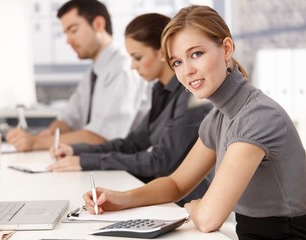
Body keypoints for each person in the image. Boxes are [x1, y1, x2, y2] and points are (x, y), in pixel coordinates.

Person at [83, 5, 306, 239]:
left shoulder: (257, 116)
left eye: (196, 54)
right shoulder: (219, 116)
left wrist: (195, 207)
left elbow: (209, 218)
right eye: (177, 62)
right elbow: (177, 184)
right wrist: (123, 198)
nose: (187, 71)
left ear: (226, 48)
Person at [47, 13, 212, 203]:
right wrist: (76, 152)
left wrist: (85, 161)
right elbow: (132, 144)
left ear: (161, 52)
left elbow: (160, 160)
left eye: (138, 57)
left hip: (186, 203)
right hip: (161, 194)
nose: (133, 66)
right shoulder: (160, 90)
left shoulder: (191, 96)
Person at [6, 0, 149, 151]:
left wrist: (35, 142)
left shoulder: (122, 69)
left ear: (98, 24)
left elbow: (100, 137)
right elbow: (69, 120)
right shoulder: (95, 71)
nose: (68, 41)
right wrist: (48, 134)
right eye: (66, 33)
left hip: (126, 169)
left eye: (73, 30)